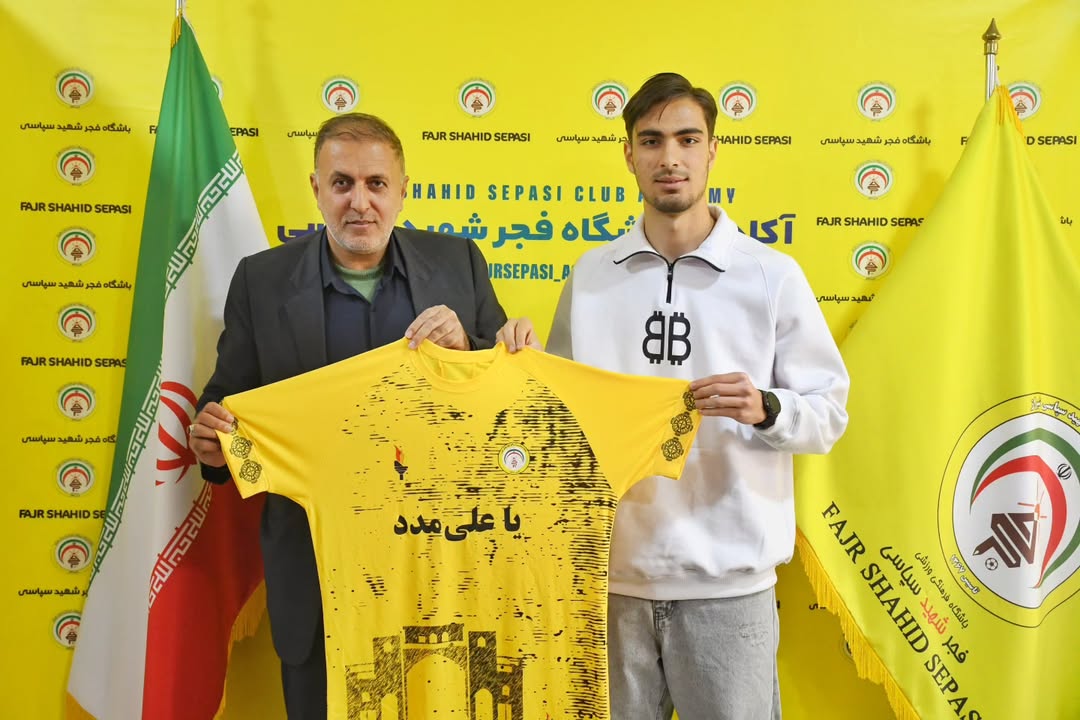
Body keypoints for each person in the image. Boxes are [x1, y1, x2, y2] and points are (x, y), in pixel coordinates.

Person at [497, 73, 850, 720]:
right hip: (611, 584)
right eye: (651, 140)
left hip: (729, 588)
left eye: (688, 139)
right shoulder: (591, 276)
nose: (670, 158)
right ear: (628, 154)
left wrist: (766, 407)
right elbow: (564, 425)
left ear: (712, 150)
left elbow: (828, 414)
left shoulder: (771, 276)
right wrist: (521, 369)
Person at [188, 112, 507, 719]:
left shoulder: (459, 264)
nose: (359, 203)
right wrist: (212, 439)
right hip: (313, 571)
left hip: (437, 569)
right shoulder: (261, 280)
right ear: (316, 189)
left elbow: (508, 396)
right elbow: (228, 398)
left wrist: (469, 347)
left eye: (376, 184)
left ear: (403, 190)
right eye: (342, 184)